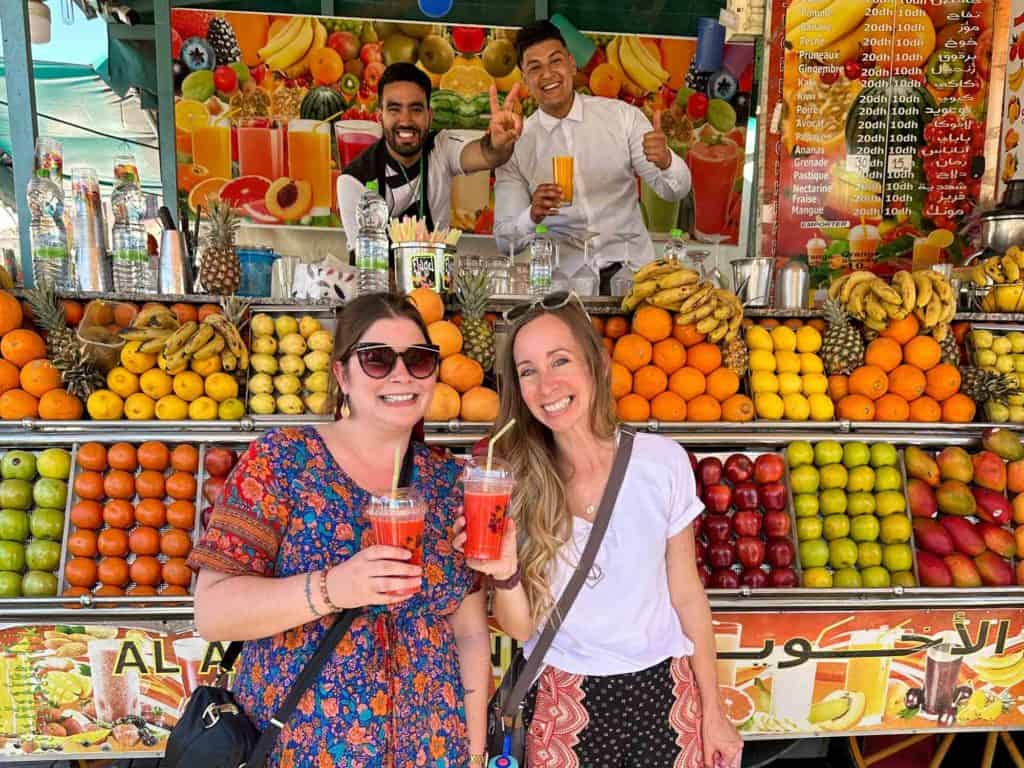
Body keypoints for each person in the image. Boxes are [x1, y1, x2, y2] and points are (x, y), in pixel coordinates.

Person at [189, 293, 492, 767]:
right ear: (341, 375)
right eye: (375, 359)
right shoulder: (284, 460)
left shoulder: (451, 484)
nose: (400, 375)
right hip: (303, 749)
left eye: (418, 360)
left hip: (432, 748)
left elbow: (470, 632)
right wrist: (333, 588)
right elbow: (213, 612)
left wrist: (474, 752)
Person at [455, 292, 742, 768]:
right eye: (528, 371)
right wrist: (504, 574)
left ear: (598, 365)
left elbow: (688, 595)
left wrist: (713, 709)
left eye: (560, 361)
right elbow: (522, 627)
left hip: (664, 694)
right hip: (562, 694)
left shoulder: (661, 462)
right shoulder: (514, 480)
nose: (547, 385)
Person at [494, 21, 691, 285]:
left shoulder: (622, 117)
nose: (548, 74)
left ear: (572, 64)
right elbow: (505, 241)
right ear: (525, 80)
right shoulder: (516, 144)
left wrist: (666, 161)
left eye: (556, 61)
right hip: (565, 286)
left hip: (631, 278)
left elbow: (675, 190)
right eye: (535, 67)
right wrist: (531, 215)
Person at [339, 62, 523, 257]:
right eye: (394, 109)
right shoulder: (353, 180)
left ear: (429, 116)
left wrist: (497, 142)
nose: (406, 120)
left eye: (416, 109)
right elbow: (365, 264)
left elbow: (486, 155)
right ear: (380, 117)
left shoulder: (441, 147)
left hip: (437, 283)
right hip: (382, 285)